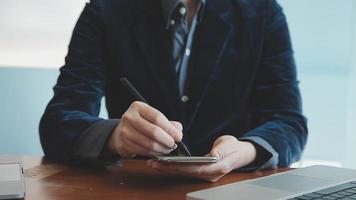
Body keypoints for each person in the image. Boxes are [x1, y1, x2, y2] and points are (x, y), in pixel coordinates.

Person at [40, 0, 308, 182]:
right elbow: (58, 122)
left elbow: (288, 122)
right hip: (136, 190)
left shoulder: (262, 12)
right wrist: (115, 137)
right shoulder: (106, 11)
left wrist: (244, 151)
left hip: (232, 188)